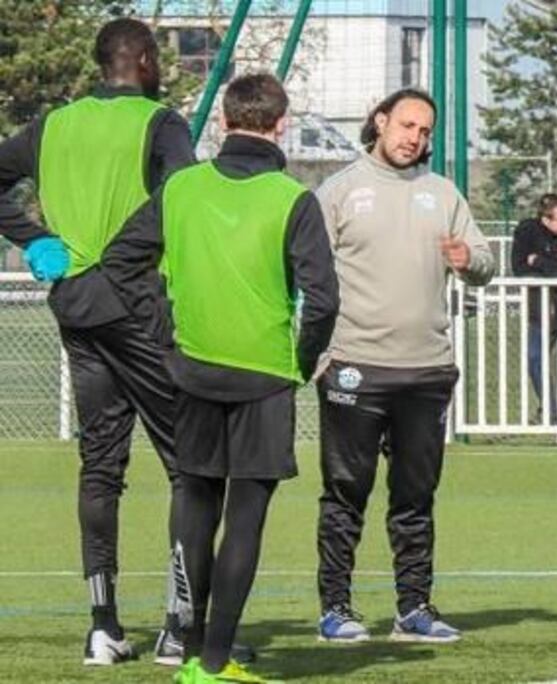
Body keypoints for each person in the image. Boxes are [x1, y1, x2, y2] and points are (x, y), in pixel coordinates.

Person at [101, 72, 339, 684]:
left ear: (224, 122)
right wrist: (303, 361)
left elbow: (123, 261)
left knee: (194, 500)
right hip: (264, 375)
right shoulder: (293, 198)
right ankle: (213, 660)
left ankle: (186, 644)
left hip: (193, 367)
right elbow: (325, 298)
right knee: (246, 517)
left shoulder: (181, 189)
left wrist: (162, 328)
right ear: (280, 124)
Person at [0, 17, 198, 666]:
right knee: (188, 463)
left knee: (101, 465)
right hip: (139, 301)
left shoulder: (54, 125)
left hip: (77, 305)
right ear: (141, 59)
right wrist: (125, 258)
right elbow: (181, 199)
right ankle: (179, 625)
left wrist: (33, 239)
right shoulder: (160, 122)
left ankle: (103, 627)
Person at [313, 88, 494, 644]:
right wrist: (318, 355)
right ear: (381, 121)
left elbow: (483, 261)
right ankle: (336, 609)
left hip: (426, 372)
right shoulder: (338, 191)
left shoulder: (442, 193)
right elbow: (309, 275)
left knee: (415, 497)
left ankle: (414, 608)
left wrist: (471, 262)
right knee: (346, 494)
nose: (414, 137)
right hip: (353, 368)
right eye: (406, 125)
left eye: (424, 130)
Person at [510, 193, 557, 427]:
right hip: (540, 312)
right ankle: (551, 413)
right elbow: (519, 268)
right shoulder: (526, 231)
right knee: (536, 361)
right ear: (545, 219)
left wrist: (539, 262)